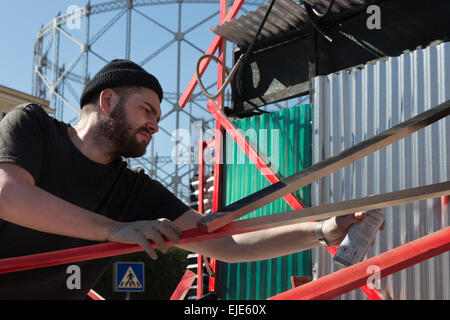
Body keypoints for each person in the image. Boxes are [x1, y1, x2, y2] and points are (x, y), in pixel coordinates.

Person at [0, 59, 383, 299]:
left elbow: (226, 242)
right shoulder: (33, 126)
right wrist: (114, 229)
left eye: (157, 118)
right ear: (107, 101)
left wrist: (318, 231)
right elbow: (10, 195)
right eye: (146, 110)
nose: (153, 125)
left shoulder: (135, 190)